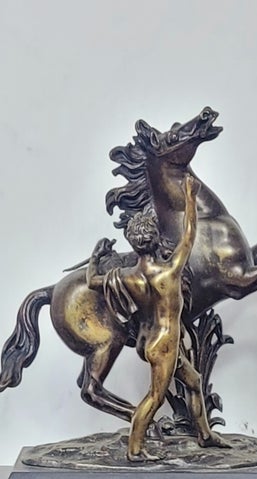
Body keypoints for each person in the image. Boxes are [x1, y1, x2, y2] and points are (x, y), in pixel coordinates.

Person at [91, 173, 223, 460]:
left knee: (194, 380)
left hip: (150, 340)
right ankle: (135, 450)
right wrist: (189, 196)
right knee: (154, 398)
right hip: (165, 345)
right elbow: (189, 234)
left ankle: (205, 434)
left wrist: (95, 256)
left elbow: (92, 280)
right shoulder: (170, 271)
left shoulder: (127, 276)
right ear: (154, 241)